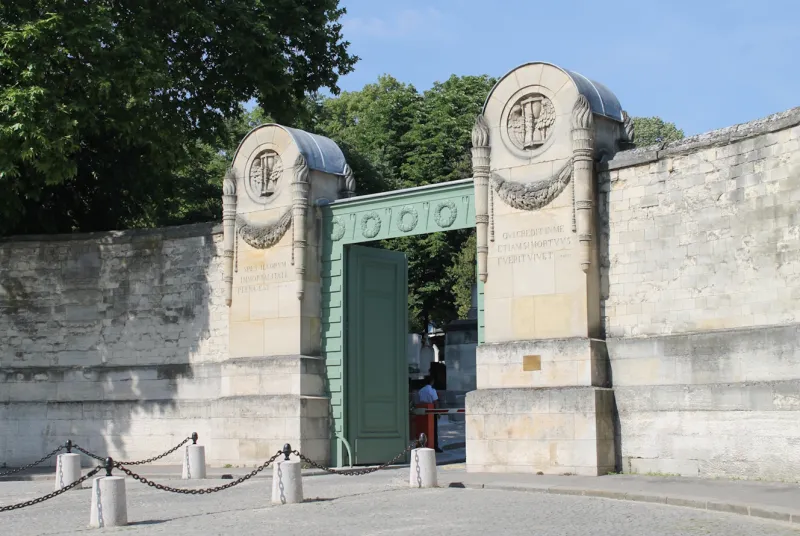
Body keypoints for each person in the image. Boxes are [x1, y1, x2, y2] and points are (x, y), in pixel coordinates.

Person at [418, 375, 443, 453]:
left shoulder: (421, 390)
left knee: (423, 428)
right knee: (434, 429)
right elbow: (435, 401)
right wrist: (438, 412)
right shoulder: (432, 390)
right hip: (432, 411)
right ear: (432, 382)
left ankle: (423, 443)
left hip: (423, 410)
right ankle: (434, 445)